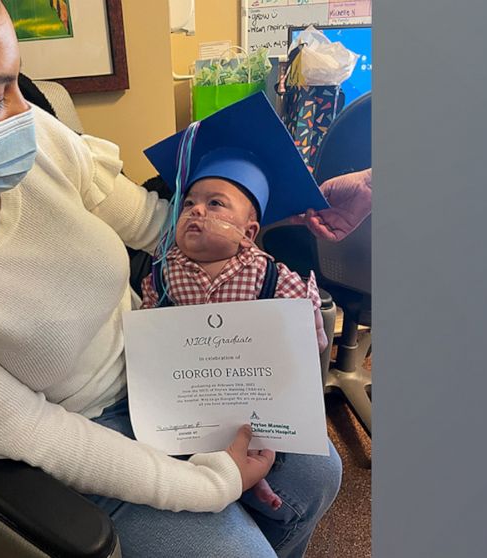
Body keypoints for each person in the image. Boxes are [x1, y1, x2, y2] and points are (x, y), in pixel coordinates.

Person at [0, 1, 341, 556]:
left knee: (319, 473)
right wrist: (212, 485)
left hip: (162, 367)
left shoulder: (39, 142)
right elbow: (43, 436)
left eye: (18, 85)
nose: (24, 115)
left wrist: (277, 216)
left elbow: (160, 228)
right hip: (82, 430)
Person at [138, 93, 333, 512]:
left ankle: (256, 483)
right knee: (184, 460)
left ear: (248, 232)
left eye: (214, 205)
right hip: (188, 406)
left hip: (254, 405)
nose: (195, 212)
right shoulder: (161, 272)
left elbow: (309, 341)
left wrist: (307, 327)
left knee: (269, 456)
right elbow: (147, 337)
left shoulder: (274, 277)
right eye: (188, 203)